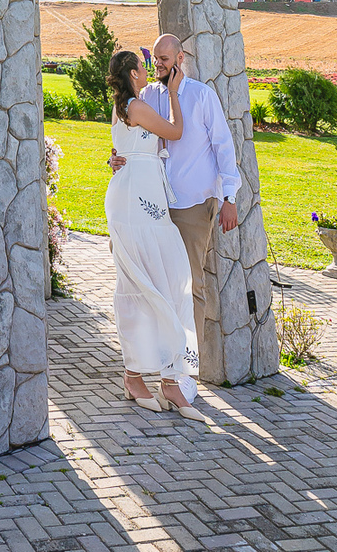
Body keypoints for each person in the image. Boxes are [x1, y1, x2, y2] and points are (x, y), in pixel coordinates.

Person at [108, 33, 241, 388]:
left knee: (189, 286)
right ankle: (158, 366)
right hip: (151, 206)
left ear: (180, 58)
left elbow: (223, 147)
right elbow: (129, 139)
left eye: (167, 58)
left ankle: (185, 374)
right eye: (156, 59)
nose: (160, 64)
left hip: (191, 205)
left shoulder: (201, 95)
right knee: (155, 286)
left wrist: (229, 198)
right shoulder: (146, 96)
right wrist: (117, 159)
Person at [105, 48, 206, 421]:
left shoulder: (123, 106)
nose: (148, 72)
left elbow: (121, 150)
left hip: (145, 195)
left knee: (163, 280)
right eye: (142, 69)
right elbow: (175, 132)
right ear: (132, 73)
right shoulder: (133, 106)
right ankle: (138, 377)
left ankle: (166, 378)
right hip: (136, 200)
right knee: (142, 285)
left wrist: (114, 158)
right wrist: (175, 93)